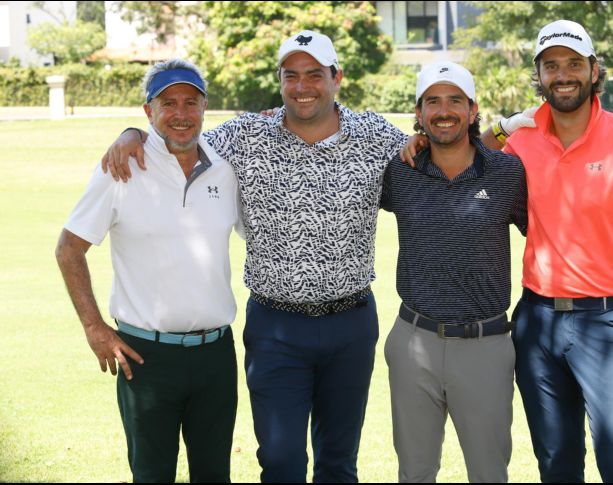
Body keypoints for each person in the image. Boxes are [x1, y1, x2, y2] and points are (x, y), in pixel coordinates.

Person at [100, 30, 409, 483]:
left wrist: (505, 129)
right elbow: (178, 135)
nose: (302, 86)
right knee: (281, 460)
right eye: (291, 76)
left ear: (336, 78)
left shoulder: (374, 135)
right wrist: (132, 132)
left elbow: (439, 154)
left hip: (352, 323)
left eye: (314, 75)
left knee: (339, 462)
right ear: (280, 82)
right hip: (276, 328)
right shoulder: (244, 136)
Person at [403, 19, 613, 484]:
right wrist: (428, 138)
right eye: (551, 66)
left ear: (594, 71)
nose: (563, 74)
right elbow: (468, 146)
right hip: (536, 322)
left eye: (574, 64)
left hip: (608, 322)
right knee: (555, 461)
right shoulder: (523, 140)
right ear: (540, 75)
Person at [55, 59, 242, 482]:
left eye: (190, 103)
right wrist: (93, 327)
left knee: (215, 475)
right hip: (146, 358)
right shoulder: (121, 167)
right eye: (168, 103)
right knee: (152, 475)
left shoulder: (225, 169)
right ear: (148, 111)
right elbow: (69, 249)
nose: (181, 114)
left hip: (216, 354)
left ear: (204, 107)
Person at [381, 61, 527, 482]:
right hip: (413, 342)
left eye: (455, 101)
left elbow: (543, 232)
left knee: (488, 473)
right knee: (414, 472)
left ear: (472, 108)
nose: (444, 110)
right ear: (420, 111)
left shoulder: (507, 173)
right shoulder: (400, 171)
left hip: (485, 345)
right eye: (433, 102)